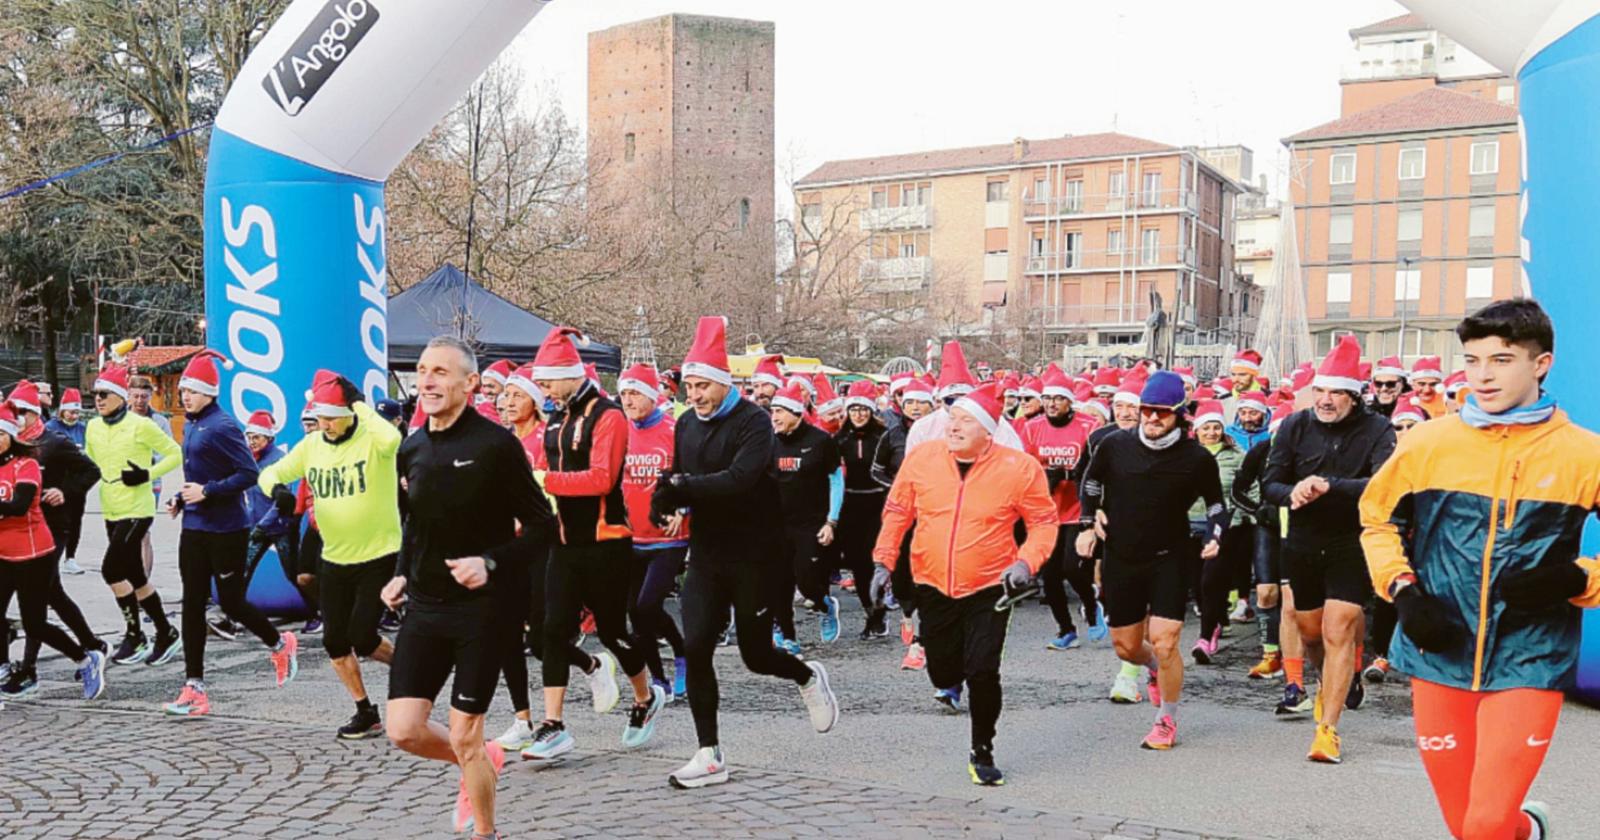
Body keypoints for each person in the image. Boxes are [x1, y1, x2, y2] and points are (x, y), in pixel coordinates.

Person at [1361, 299, 1600, 839]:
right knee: (1468, 825)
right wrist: (1404, 591)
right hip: (1438, 649)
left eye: (1501, 360)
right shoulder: (1427, 442)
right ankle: (1529, 831)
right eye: (1472, 360)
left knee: (1486, 825)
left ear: (1541, 364)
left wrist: (1578, 578)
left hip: (1532, 655)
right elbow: (1376, 521)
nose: (1483, 376)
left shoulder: (1585, 454)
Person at [382, 337, 557, 839]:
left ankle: (486, 831)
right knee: (404, 730)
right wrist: (401, 572)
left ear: (470, 383)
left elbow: (543, 527)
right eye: (422, 370)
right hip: (425, 604)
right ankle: (485, 757)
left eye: (440, 372)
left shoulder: (495, 446)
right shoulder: (411, 447)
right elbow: (413, 524)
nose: (427, 381)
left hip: (485, 608)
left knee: (464, 734)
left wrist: (490, 562)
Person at [653, 316, 838, 789]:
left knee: (756, 655)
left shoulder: (754, 422)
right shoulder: (685, 423)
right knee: (696, 646)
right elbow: (679, 473)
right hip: (707, 553)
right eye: (688, 387)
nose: (694, 395)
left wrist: (682, 486)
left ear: (723, 383)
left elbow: (739, 479)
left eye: (701, 386)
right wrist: (667, 501)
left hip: (757, 555)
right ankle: (709, 754)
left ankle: (806, 676)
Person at [872, 382, 1056, 785]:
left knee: (983, 669)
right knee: (943, 673)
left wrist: (1026, 562)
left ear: (988, 431)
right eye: (952, 418)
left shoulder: (1019, 468)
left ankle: (982, 748)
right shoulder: (922, 458)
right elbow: (898, 511)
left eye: (965, 421)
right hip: (932, 581)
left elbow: (1044, 522)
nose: (953, 427)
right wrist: (883, 562)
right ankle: (947, 677)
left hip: (992, 584)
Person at [524, 328, 663, 760]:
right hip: (564, 541)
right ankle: (553, 725)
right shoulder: (555, 417)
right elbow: (541, 469)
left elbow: (602, 478)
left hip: (607, 540)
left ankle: (645, 697)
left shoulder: (609, 416)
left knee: (612, 632)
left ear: (570, 375)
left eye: (548, 381)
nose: (543, 389)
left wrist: (546, 480)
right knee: (552, 631)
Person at [1075, 371, 1227, 750]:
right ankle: (1155, 670)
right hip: (1122, 556)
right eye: (1147, 410)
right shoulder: (1114, 445)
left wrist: (1215, 536)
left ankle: (1166, 720)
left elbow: (1216, 505)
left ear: (1180, 414)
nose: (1153, 418)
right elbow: (1091, 483)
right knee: (1127, 647)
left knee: (1165, 641)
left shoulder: (1196, 458)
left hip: (1170, 557)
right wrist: (1088, 521)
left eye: (1162, 411)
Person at [1263, 335, 1395, 764]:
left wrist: (1330, 486)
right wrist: (1293, 493)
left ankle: (1328, 730)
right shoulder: (1295, 426)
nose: (1325, 399)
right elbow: (1269, 484)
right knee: (1311, 633)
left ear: (1354, 396)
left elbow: (1382, 486)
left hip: (1352, 540)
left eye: (1336, 392)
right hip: (1302, 540)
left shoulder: (1378, 429)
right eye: (1320, 390)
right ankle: (1331, 680)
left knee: (1339, 628)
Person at [259, 370, 402, 739]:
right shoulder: (312, 446)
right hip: (335, 557)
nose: (323, 425)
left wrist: (359, 403)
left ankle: (409, 671)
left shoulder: (372, 438)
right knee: (335, 642)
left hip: (379, 553)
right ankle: (365, 711)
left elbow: (393, 439)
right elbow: (268, 474)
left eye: (329, 418)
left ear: (348, 413)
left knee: (363, 637)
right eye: (318, 418)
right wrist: (277, 491)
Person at [161, 351, 298, 716]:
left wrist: (207, 492)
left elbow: (248, 474)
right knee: (193, 603)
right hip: (194, 526)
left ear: (210, 392)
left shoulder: (223, 426)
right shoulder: (191, 424)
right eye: (183, 390)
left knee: (231, 602)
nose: (185, 396)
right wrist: (180, 498)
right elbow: (197, 475)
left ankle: (279, 643)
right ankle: (194, 687)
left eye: (192, 391)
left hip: (227, 529)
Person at [492, 363, 603, 753]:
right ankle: (523, 720)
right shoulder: (501, 441)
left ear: (537, 402)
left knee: (541, 640)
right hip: (508, 549)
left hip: (545, 546)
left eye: (517, 395)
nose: (507, 402)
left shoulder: (548, 439)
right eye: (505, 395)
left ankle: (591, 665)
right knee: (505, 633)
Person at [0, 385, 104, 698]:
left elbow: (19, 505)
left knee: (37, 617)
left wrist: (65, 492)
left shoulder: (39, 453)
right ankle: (11, 667)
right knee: (47, 599)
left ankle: (79, 658)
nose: (19, 419)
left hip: (40, 543)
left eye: (23, 413)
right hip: (6, 550)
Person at [84, 363, 183, 666]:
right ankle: (166, 632)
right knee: (136, 575)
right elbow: (92, 463)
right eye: (95, 394)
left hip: (138, 509)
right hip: (110, 508)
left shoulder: (142, 425)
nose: (98, 399)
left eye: (104, 394)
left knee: (111, 571)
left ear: (120, 396)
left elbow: (175, 454)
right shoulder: (93, 427)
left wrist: (146, 474)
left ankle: (135, 634)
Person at [616, 364, 689, 702]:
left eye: (634, 393)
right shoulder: (620, 431)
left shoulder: (674, 431)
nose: (628, 400)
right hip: (632, 536)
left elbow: (693, 476)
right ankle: (658, 680)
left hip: (669, 537)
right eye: (624, 394)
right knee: (635, 612)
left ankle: (682, 652)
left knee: (647, 606)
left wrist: (684, 509)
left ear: (651, 396)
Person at [1021, 368, 1103, 651]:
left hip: (1078, 509)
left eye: (1058, 399)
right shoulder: (1032, 427)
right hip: (1046, 511)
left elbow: (1097, 467)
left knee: (1072, 568)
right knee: (1050, 576)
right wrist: (1043, 477)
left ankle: (1091, 606)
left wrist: (1070, 475)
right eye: (1047, 398)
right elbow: (1025, 466)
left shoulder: (1088, 426)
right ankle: (1066, 630)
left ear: (1070, 401)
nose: (1052, 404)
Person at [768, 382, 845, 649]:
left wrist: (831, 521)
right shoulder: (769, 441)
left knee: (808, 582)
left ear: (796, 413)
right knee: (779, 582)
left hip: (811, 524)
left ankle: (825, 606)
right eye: (772, 411)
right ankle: (787, 636)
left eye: (780, 411)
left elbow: (836, 480)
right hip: (778, 524)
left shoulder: (820, 441)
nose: (774, 417)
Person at [873, 375, 935, 673]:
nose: (915, 407)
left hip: (933, 513)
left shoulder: (943, 432)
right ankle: (907, 612)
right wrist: (900, 487)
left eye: (921, 402)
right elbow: (877, 470)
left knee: (926, 571)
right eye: (909, 402)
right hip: (901, 510)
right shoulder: (892, 435)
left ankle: (920, 641)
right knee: (901, 573)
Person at [1188, 400, 1246, 664]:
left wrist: (1242, 517)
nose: (1211, 432)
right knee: (1197, 582)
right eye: (1206, 428)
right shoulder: (1186, 454)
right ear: (1196, 430)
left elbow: (1248, 487)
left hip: (1223, 525)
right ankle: (1217, 617)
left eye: (1216, 427)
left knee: (1211, 580)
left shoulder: (1235, 455)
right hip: (1189, 523)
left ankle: (1205, 637)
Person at [837, 380, 890, 639]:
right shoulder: (840, 438)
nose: (858, 415)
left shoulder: (883, 436)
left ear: (871, 411)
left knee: (875, 560)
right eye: (854, 409)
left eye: (863, 409)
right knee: (858, 564)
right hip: (850, 505)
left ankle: (880, 608)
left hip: (878, 504)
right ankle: (871, 611)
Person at [907, 342, 1025, 453]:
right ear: (940, 400)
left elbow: (1015, 458)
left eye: (963, 400)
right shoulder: (923, 427)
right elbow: (912, 463)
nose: (957, 406)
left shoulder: (994, 424)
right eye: (950, 400)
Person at [128, 375, 174, 580]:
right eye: (136, 396)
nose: (139, 401)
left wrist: (149, 462)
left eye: (144, 396)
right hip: (122, 483)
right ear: (129, 395)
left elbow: (168, 452)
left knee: (143, 532)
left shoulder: (159, 422)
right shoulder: (119, 419)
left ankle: (143, 580)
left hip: (149, 482)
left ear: (150, 396)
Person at [43, 388, 88, 575]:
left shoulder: (83, 429)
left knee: (75, 520)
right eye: (70, 412)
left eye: (77, 412)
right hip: (56, 482)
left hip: (76, 482)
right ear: (62, 411)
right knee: (55, 522)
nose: (74, 416)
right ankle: (50, 556)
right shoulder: (51, 427)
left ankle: (71, 557)